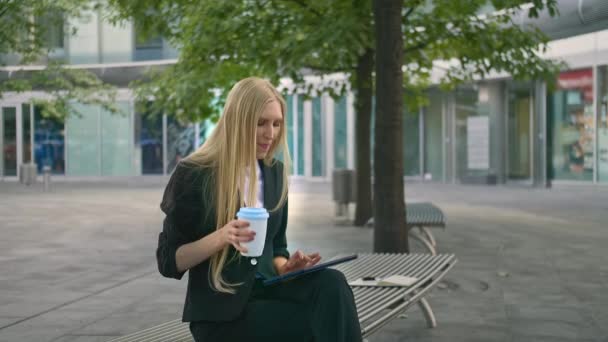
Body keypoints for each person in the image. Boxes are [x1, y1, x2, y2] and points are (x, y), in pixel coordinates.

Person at [157, 77, 362, 342]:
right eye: (261, 123)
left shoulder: (274, 173)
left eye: (276, 124)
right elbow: (169, 261)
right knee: (316, 326)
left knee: (332, 284)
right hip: (221, 316)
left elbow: (277, 248)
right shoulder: (195, 174)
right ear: (238, 121)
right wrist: (222, 236)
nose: (271, 133)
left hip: (268, 292)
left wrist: (286, 267)